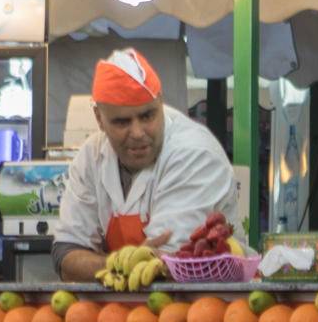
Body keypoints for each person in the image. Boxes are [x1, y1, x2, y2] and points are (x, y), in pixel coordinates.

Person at [51, 48, 236, 281]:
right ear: (99, 118)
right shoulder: (91, 156)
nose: (137, 133)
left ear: (160, 103)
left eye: (147, 116)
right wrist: (127, 262)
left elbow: (164, 268)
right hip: (120, 312)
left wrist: (97, 263)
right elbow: (65, 258)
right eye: (121, 122)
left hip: (201, 311)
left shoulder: (195, 154)